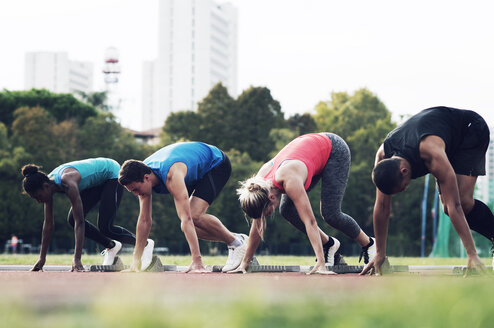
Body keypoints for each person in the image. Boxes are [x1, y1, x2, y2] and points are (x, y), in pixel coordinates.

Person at [362, 106, 492, 276]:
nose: (405, 190)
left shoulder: (431, 153)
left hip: (470, 130)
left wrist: (472, 254)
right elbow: (382, 207)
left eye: (403, 187)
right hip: (445, 137)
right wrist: (380, 253)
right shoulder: (383, 158)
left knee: (463, 202)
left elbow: (456, 205)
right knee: (446, 208)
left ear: (404, 171)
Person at [232, 132, 376, 275]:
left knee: (331, 214)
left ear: (271, 197)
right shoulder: (259, 185)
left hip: (333, 149)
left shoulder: (290, 179)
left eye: (266, 212)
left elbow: (310, 221)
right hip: (309, 153)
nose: (266, 216)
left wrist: (321, 263)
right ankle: (329, 245)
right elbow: (257, 226)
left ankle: (369, 244)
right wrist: (245, 262)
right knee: (287, 211)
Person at [118, 142, 248, 273]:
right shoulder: (141, 174)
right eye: (132, 191)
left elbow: (187, 218)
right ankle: (237, 239)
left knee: (193, 216)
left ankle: (236, 243)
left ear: (146, 178)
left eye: (136, 189)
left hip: (216, 163)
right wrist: (136, 261)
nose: (136, 194)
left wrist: (197, 262)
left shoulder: (172, 176)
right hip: (192, 169)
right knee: (190, 229)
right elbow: (144, 221)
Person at [21, 158, 150, 272]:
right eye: (35, 199)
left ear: (45, 186)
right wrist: (42, 259)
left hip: (110, 174)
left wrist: (77, 259)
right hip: (95, 183)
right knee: (71, 219)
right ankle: (112, 245)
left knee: (106, 227)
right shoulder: (47, 185)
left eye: (38, 197)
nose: (39, 201)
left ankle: (145, 243)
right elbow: (48, 224)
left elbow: (80, 222)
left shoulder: (67, 181)